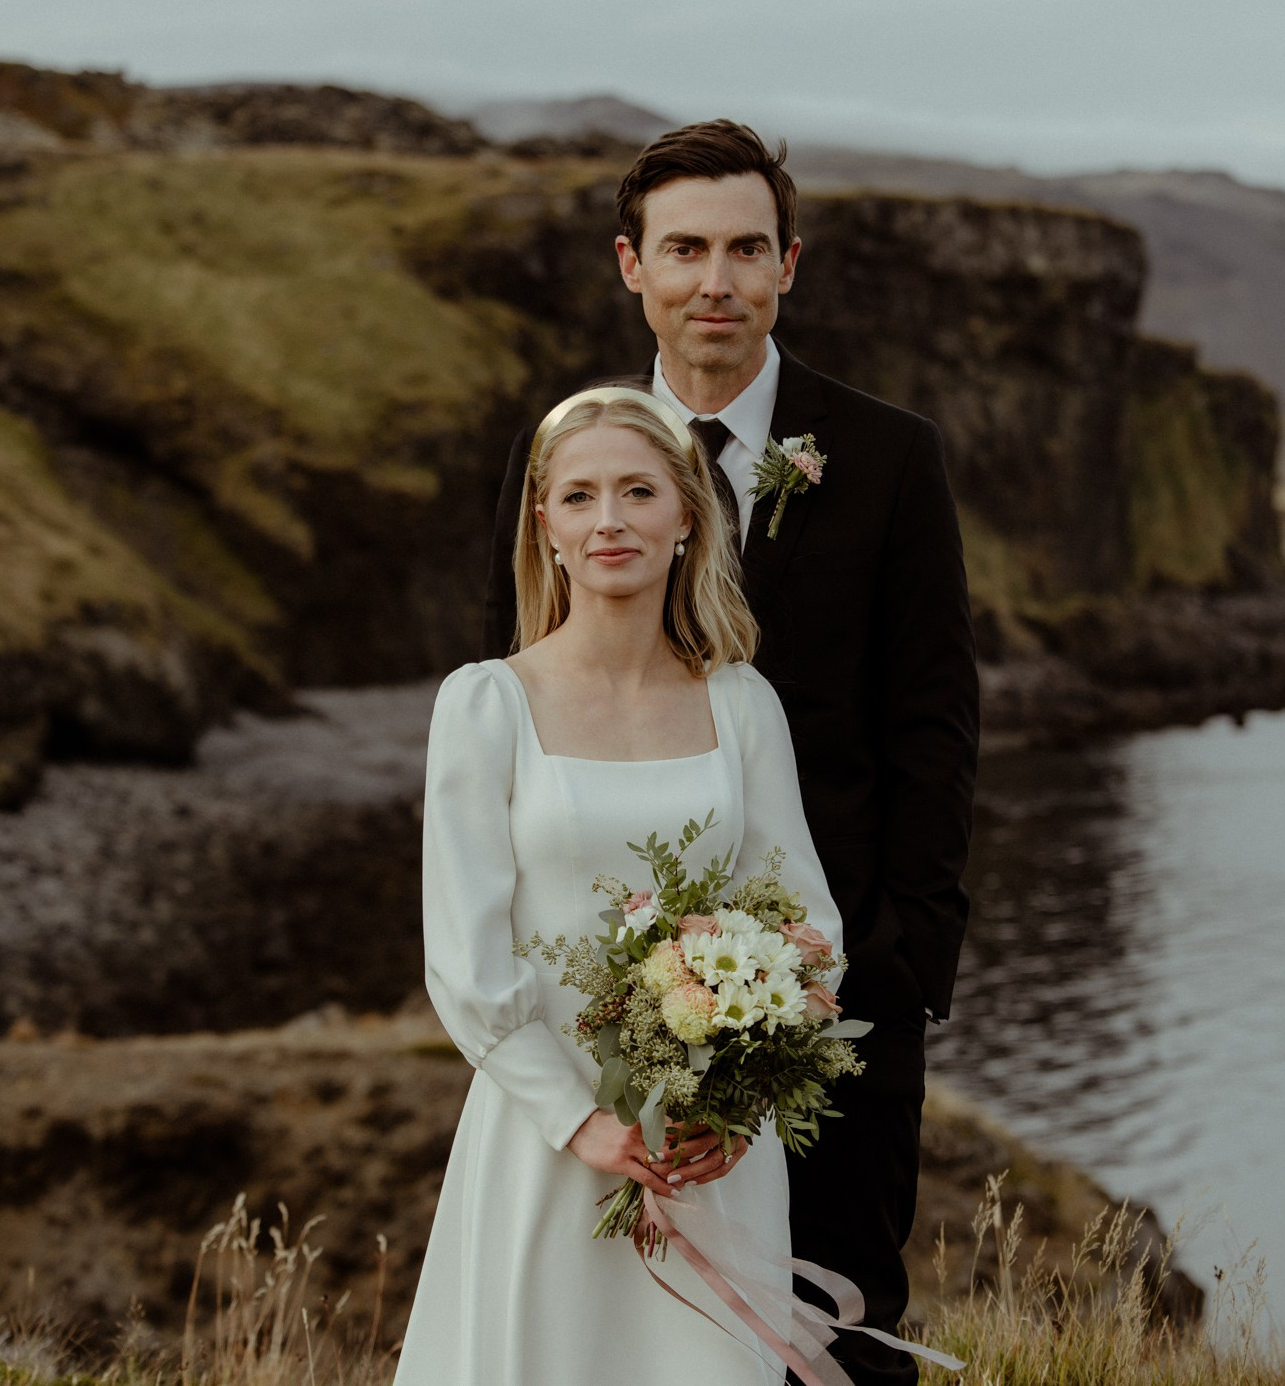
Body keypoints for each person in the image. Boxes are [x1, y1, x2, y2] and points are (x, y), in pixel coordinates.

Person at [482, 121, 980, 1385]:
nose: (717, 279)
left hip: (836, 983)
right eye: (685, 248)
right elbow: (515, 707)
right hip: (605, 1009)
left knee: (837, 1319)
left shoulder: (885, 455)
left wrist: (899, 959)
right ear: (629, 266)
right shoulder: (561, 465)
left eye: (746, 248)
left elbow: (934, 720)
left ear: (788, 265)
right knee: (619, 1328)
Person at [395, 387, 842, 1385]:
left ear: (686, 515)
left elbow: (808, 925)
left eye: (638, 491)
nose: (609, 521)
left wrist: (735, 1106)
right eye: (580, 495)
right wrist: (577, 1119)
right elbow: (462, 955)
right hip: (545, 1135)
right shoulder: (486, 706)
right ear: (543, 524)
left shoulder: (740, 704)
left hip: (705, 1149)